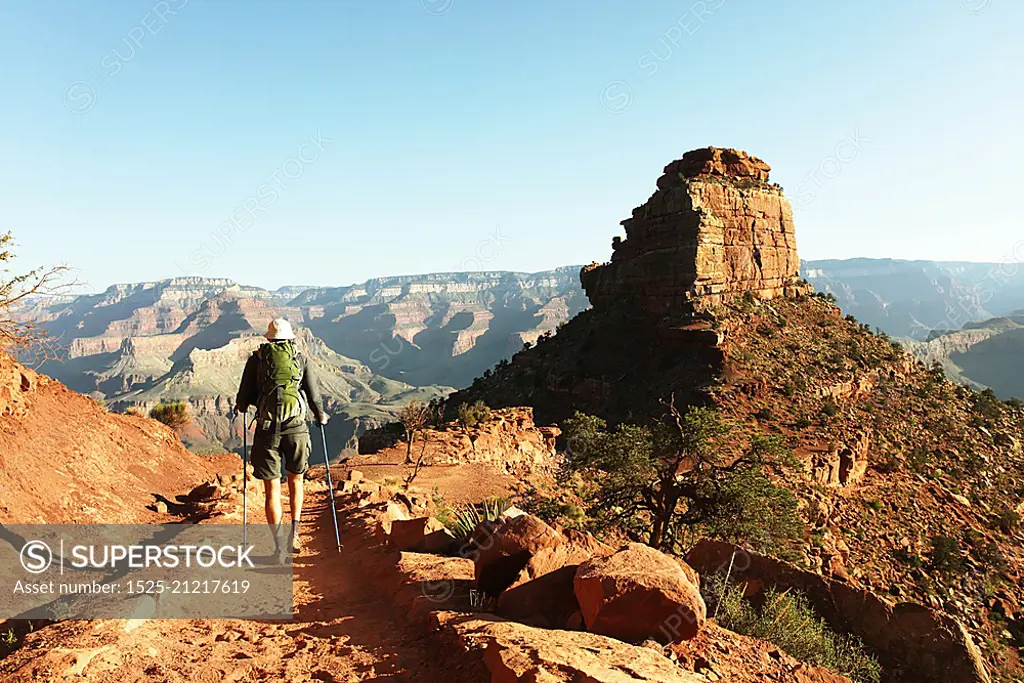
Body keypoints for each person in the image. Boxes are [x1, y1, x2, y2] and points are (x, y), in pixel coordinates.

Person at [235, 318, 328, 559]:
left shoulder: (256, 360)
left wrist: (247, 405)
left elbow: (242, 400)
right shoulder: (301, 358)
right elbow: (313, 395)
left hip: (267, 430)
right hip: (296, 428)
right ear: (291, 338)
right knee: (296, 481)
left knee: (272, 490)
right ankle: (294, 533)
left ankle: (278, 548)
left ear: (268, 338)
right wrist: (320, 416)